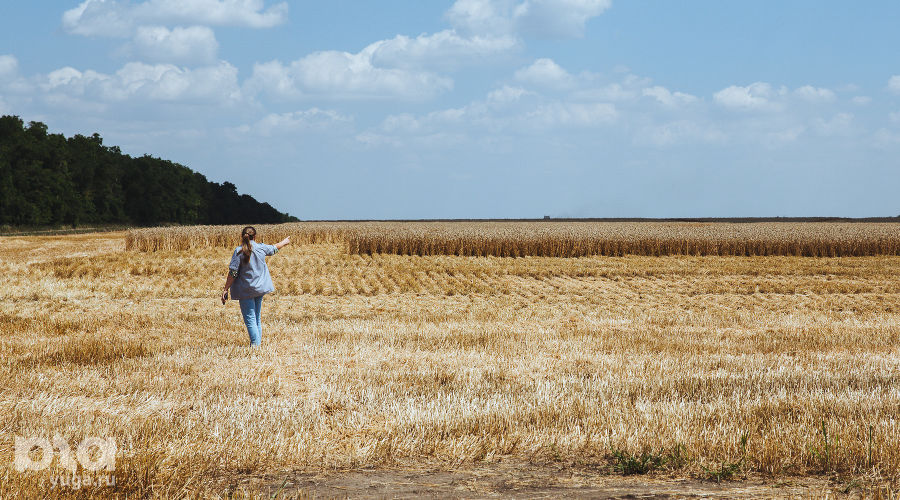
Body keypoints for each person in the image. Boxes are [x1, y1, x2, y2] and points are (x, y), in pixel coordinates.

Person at [221, 226, 290, 346]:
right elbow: (274, 248)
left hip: (245, 290)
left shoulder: (238, 251)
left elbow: (233, 272)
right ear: (255, 236)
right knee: (256, 318)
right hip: (259, 289)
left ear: (242, 237)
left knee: (250, 320)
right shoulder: (261, 248)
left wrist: (225, 289)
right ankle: (257, 345)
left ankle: (255, 346)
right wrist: (284, 242)